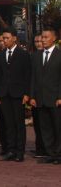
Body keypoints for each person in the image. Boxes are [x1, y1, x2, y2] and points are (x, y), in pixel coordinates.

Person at [0, 27, 31, 162]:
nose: (4, 41)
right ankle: (10, 150)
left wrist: (26, 93)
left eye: (7, 38)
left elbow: (27, 75)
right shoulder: (0, 55)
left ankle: (19, 152)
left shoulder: (23, 54)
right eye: (3, 38)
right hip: (4, 94)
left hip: (18, 94)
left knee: (19, 124)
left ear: (14, 38)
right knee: (8, 124)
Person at [30, 27, 61, 164]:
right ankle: (50, 154)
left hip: (55, 99)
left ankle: (59, 154)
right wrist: (32, 96)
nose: (43, 40)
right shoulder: (36, 55)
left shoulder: (59, 55)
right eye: (42, 37)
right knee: (45, 128)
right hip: (40, 98)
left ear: (54, 38)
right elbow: (33, 77)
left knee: (58, 128)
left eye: (46, 37)